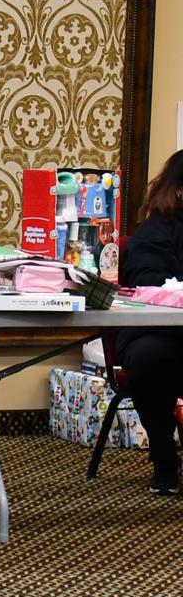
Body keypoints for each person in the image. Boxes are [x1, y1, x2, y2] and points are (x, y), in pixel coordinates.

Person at [116, 150, 183, 494]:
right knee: (149, 360)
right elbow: (149, 284)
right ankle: (164, 455)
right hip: (159, 332)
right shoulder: (155, 233)